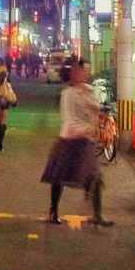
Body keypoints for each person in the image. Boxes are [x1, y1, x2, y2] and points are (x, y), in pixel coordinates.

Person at [40, 58, 112, 227]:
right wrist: (92, 123)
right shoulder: (70, 94)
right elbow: (74, 117)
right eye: (84, 71)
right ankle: (53, 211)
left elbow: (93, 108)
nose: (87, 74)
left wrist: (98, 115)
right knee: (59, 176)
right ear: (75, 73)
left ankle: (96, 214)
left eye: (87, 71)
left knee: (94, 176)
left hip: (84, 140)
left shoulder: (85, 90)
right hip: (71, 139)